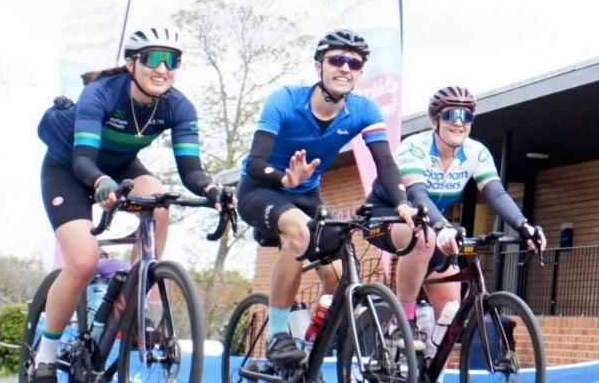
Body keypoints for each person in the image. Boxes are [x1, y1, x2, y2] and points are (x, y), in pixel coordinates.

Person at [33, 26, 227, 382]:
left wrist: (213, 190)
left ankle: (133, 295)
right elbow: (84, 161)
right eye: (154, 58)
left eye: (173, 61)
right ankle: (45, 353)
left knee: (161, 205)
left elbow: (191, 171)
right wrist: (101, 183)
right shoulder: (100, 93)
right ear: (131, 63)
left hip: (120, 166)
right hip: (70, 166)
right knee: (83, 261)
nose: (163, 68)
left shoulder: (179, 107)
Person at [237, 28, 418, 367]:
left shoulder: (364, 111)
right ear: (319, 65)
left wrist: (403, 204)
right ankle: (278, 335)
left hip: (307, 195)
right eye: (337, 59)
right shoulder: (285, 100)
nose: (345, 68)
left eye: (355, 63)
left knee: (336, 276)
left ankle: (307, 345)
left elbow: (386, 163)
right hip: (261, 189)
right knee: (299, 232)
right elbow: (255, 162)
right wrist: (285, 177)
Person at [364, 85, 547, 351]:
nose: (459, 123)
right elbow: (417, 195)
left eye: (467, 117)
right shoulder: (415, 147)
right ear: (435, 120)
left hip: (432, 223)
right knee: (424, 238)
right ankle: (401, 321)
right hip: (385, 217)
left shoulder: (476, 152)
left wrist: (523, 226)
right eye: (451, 115)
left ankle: (427, 365)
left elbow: (496, 193)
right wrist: (442, 226)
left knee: (451, 313)